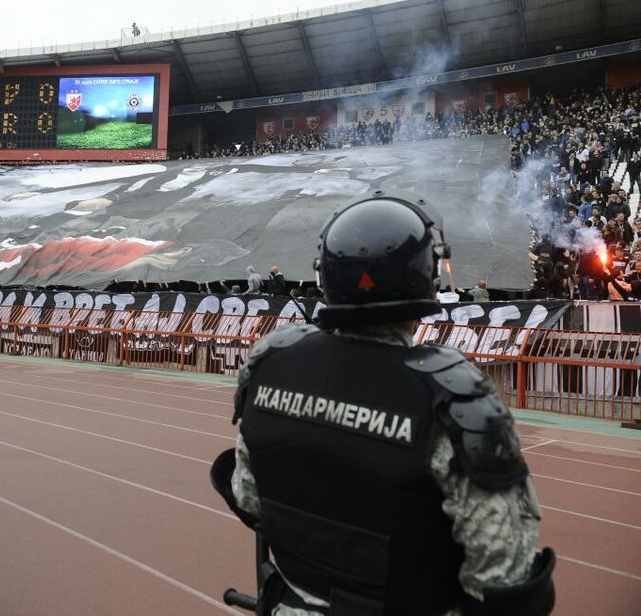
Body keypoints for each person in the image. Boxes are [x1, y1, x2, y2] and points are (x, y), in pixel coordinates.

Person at [211, 190, 555, 615]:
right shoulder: (450, 393)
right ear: (424, 272)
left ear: (326, 274)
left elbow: (248, 498)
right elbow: (505, 572)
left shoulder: (270, 362)